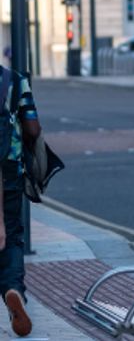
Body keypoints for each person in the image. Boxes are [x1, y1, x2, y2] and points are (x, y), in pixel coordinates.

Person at [0, 63, 40, 336]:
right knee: (12, 235)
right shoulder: (14, 80)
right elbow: (33, 128)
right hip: (10, 170)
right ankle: (13, 290)